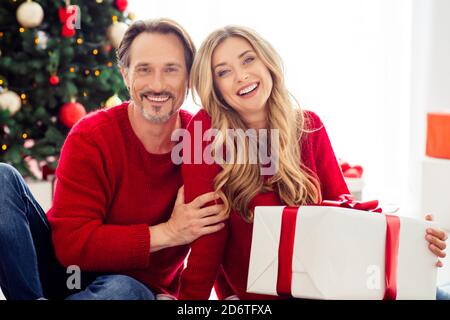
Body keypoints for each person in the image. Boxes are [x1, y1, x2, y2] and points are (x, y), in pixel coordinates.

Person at [178, 25, 448, 300]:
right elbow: (207, 237)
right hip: (259, 298)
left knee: (435, 295)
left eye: (248, 59)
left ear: (267, 62)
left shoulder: (308, 126)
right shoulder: (206, 132)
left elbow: (346, 212)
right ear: (215, 87)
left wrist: (413, 239)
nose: (241, 76)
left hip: (328, 288)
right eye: (224, 72)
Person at [0, 18, 228, 300]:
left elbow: (219, 234)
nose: (157, 84)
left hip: (131, 288)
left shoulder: (202, 142)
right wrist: (169, 233)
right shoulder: (92, 135)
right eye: (144, 69)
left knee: (122, 287)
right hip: (58, 274)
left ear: (190, 77)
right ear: (125, 75)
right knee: (2, 178)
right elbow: (71, 244)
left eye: (171, 70)